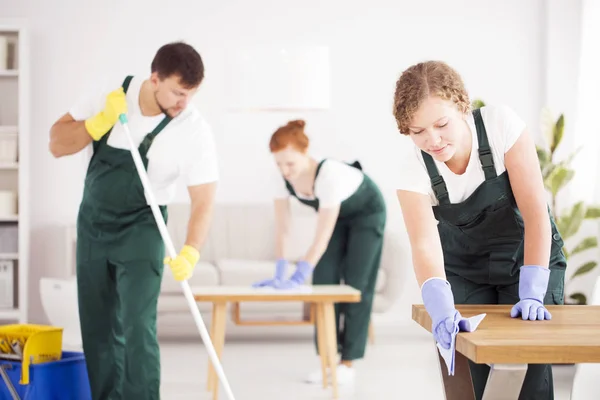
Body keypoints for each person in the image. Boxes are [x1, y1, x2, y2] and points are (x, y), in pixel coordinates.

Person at [48, 41, 219, 400]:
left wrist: (191, 250)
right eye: (177, 92)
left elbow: (203, 198)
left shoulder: (193, 129)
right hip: (93, 223)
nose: (183, 103)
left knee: (138, 327)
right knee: (98, 328)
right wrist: (97, 124)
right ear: (154, 78)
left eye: (191, 94)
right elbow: (57, 144)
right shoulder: (110, 95)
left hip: (143, 227)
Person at [392, 60, 566, 399]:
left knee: (528, 371)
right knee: (476, 373)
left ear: (463, 106)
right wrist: (439, 304)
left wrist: (532, 288)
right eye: (418, 132)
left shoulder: (501, 125)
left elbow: (535, 214)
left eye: (441, 124)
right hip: (465, 272)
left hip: (526, 259)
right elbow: (425, 246)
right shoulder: (412, 170)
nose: (433, 140)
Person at [252, 120, 387, 385]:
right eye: (279, 164)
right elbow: (283, 228)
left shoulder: (329, 176)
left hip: (367, 213)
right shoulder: (281, 179)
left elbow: (322, 236)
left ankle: (348, 362)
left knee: (356, 286)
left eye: (290, 163)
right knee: (323, 283)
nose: (285, 170)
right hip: (337, 217)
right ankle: (328, 360)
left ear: (306, 153)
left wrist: (300, 271)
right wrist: (281, 269)